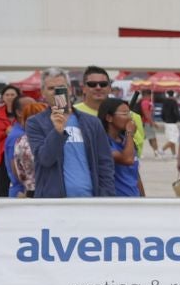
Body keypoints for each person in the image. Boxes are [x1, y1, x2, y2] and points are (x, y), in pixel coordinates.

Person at [23, 68, 114, 198]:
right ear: (43, 92)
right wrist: (57, 131)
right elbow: (45, 159)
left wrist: (106, 196)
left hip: (90, 200)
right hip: (54, 202)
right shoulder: (35, 123)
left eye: (61, 87)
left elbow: (105, 163)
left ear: (70, 89)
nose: (56, 92)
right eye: (51, 88)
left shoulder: (92, 123)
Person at [0, 84, 24, 198]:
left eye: (13, 94)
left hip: (21, 153)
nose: (10, 97)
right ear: (3, 97)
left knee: (22, 184)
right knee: (1, 185)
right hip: (2, 155)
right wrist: (4, 133)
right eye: (7, 95)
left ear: (18, 96)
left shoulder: (25, 111)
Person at [101, 97, 145, 197]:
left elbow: (135, 174)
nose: (129, 118)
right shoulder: (104, 142)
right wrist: (129, 133)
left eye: (129, 114)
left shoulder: (126, 140)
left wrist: (143, 198)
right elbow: (128, 159)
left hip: (134, 198)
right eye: (125, 114)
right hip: (117, 202)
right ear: (109, 117)